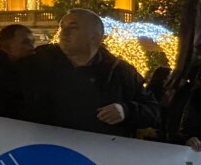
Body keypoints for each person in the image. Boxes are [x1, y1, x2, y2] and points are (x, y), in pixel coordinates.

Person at [18, 9, 159, 137]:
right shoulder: (38, 61)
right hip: (45, 149)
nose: (64, 32)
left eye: (73, 27)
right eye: (62, 27)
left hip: (98, 157)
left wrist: (126, 111)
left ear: (94, 37)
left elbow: (153, 111)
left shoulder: (120, 72)